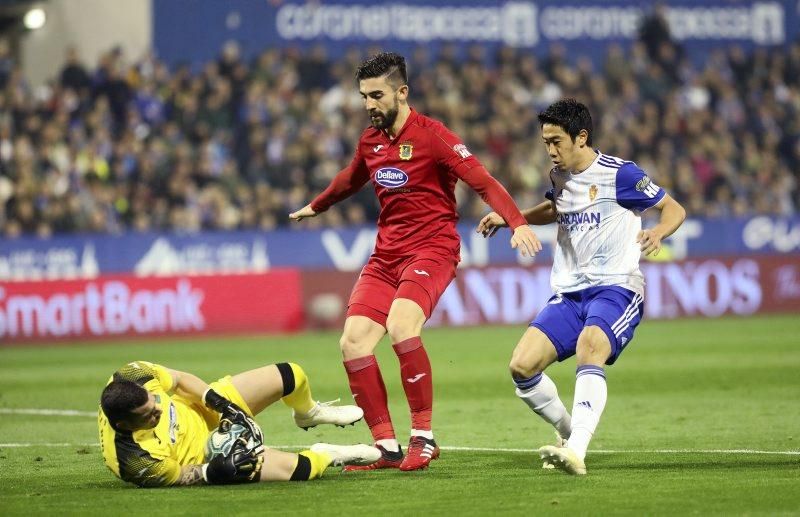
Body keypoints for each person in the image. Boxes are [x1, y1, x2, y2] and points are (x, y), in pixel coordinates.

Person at [290, 52, 541, 471]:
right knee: (352, 342)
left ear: (402, 93)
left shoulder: (434, 136)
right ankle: (386, 446)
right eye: (364, 97)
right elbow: (353, 177)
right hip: (386, 255)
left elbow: (483, 180)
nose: (369, 104)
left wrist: (517, 223)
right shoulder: (370, 140)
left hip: (433, 249)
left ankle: (423, 438)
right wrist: (318, 205)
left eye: (376, 95)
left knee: (402, 325)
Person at [477, 99, 686, 475]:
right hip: (570, 294)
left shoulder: (620, 174)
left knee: (591, 346)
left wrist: (656, 231)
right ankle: (569, 432)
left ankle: (577, 452)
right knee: (521, 366)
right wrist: (511, 218)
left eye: (556, 141)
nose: (550, 150)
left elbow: (674, 208)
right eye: (545, 143)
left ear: (581, 137)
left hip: (617, 288)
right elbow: (555, 208)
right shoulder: (559, 177)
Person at [98, 360, 380, 487]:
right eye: (148, 415)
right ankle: (327, 453)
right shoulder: (134, 462)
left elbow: (181, 380)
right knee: (302, 470)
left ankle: (307, 413)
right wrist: (216, 470)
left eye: (155, 401)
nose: (157, 410)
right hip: (210, 453)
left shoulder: (133, 375)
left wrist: (220, 404)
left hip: (199, 409)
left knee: (290, 375)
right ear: (124, 424)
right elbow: (183, 476)